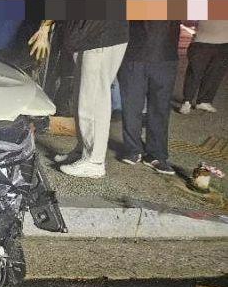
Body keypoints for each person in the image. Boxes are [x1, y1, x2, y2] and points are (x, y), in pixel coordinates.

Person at [30, 20, 129, 178]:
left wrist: (44, 27)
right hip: (89, 35)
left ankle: (94, 161)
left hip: (99, 35)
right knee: (82, 98)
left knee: (93, 100)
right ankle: (83, 151)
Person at [117, 21, 179, 175]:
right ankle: (133, 149)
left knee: (160, 109)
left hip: (166, 56)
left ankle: (156, 154)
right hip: (133, 55)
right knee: (131, 107)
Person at [180, 20, 228, 114]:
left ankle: (204, 101)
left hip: (224, 44)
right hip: (201, 42)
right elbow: (186, 21)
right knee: (194, 73)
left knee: (215, 74)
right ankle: (187, 101)